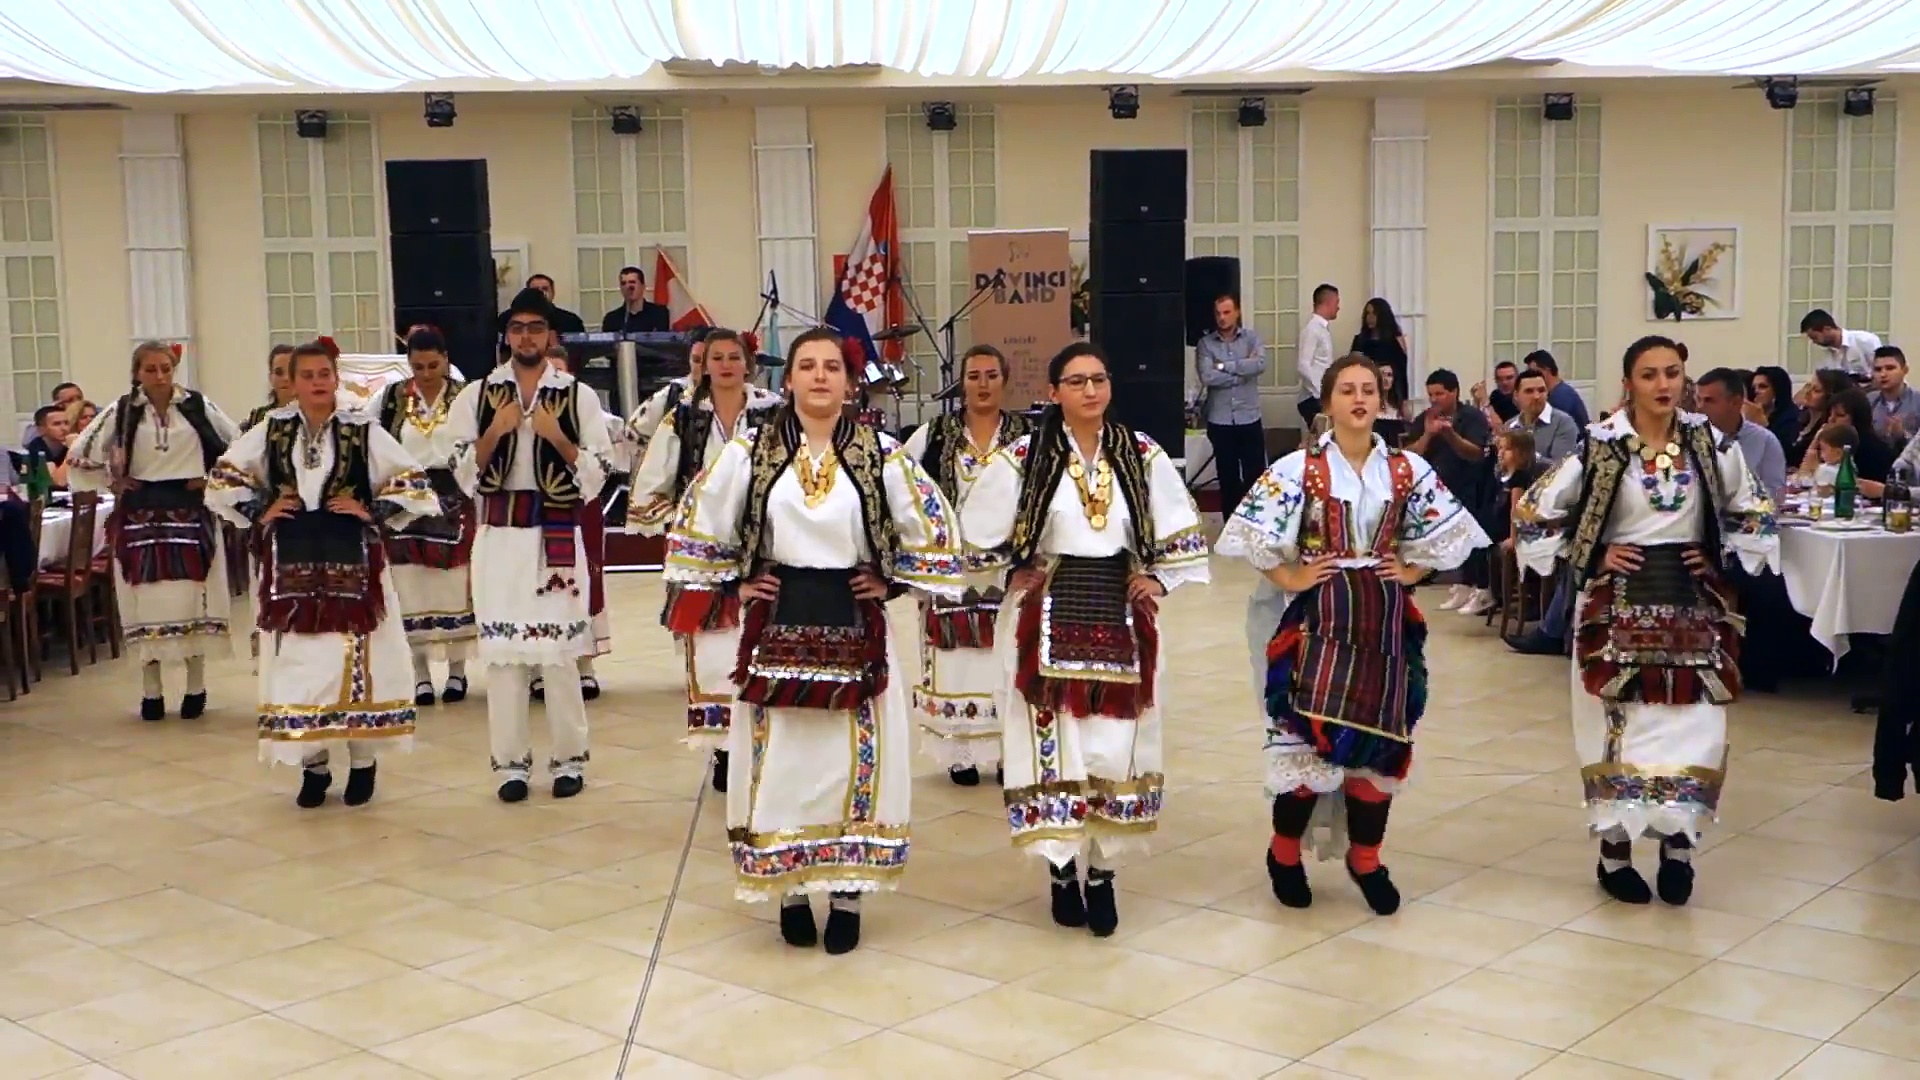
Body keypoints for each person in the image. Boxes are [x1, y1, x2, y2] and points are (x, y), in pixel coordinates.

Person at [664, 326, 965, 954]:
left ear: (851, 382)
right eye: (808, 365)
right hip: (777, 623)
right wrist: (737, 582)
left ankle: (848, 892)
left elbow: (931, 527)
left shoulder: (881, 452)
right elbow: (701, 522)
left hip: (856, 624)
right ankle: (791, 889)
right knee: (782, 759)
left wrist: (892, 582)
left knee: (853, 758)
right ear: (789, 380)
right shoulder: (751, 450)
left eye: (833, 366)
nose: (821, 376)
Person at [1219, 353, 1487, 915]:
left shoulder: (1406, 468)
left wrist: (1412, 570)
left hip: (1383, 624)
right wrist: (1292, 576)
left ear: (1380, 400)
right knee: (1306, 745)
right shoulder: (1299, 467)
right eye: (1347, 390)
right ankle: (1283, 855)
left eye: (1368, 389)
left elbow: (1450, 531)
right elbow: (1252, 536)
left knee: (1378, 748)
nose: (1360, 399)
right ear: (1328, 402)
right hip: (1317, 622)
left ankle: (1366, 859)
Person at [1517, 335, 1778, 906]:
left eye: (1673, 373)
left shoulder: (1709, 443)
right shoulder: (1601, 445)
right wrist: (1590, 553)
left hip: (1692, 607)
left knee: (1695, 730)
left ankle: (1678, 851)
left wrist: (1719, 555)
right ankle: (1614, 855)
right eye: (1650, 374)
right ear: (1628, 383)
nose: (1663, 384)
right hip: (1616, 608)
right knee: (1622, 734)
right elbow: (1535, 511)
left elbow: (1754, 507)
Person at [963, 342, 1210, 937]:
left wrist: (1159, 579)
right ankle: (1060, 869)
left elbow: (1178, 528)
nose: (1090, 390)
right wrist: (1007, 571)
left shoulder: (1140, 452)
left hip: (1119, 612)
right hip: (1045, 611)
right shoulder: (1024, 456)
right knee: (1055, 743)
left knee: (1113, 745)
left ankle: (1101, 872)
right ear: (1054, 392)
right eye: (1076, 381)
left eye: (1098, 379)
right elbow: (973, 532)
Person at [208, 341, 438, 808]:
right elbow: (223, 478)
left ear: (336, 377)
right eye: (307, 375)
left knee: (355, 663)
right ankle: (313, 768)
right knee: (301, 666)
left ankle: (362, 764)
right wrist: (261, 508)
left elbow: (413, 481)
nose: (317, 382)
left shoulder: (361, 428)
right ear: (292, 381)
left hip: (352, 563)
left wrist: (370, 509)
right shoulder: (273, 430)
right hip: (291, 565)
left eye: (324, 374)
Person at [447, 289, 616, 802]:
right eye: (517, 328)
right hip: (500, 538)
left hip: (556, 534)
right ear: (507, 335)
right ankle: (510, 767)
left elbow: (599, 473)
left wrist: (557, 437)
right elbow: (461, 474)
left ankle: (569, 759)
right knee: (504, 660)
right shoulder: (477, 395)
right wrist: (495, 432)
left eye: (535, 328)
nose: (526, 337)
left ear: (549, 335)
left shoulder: (578, 395)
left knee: (560, 657)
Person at [631, 328, 781, 793]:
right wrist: (685, 521)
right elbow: (652, 483)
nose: (726, 365)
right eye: (717, 357)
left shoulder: (773, 412)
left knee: (766, 647)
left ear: (748, 363)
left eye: (734, 357)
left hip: (765, 548)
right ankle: (723, 750)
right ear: (704, 365)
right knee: (715, 651)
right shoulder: (684, 417)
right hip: (707, 554)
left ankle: (768, 749)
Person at [69, 342, 239, 721]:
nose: (159, 376)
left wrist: (211, 479)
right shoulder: (123, 410)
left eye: (165, 368)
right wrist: (113, 480)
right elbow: (81, 453)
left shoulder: (197, 406)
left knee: (194, 598)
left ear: (174, 368)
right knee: (144, 600)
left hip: (190, 509)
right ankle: (152, 692)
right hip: (140, 512)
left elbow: (240, 447)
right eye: (150, 369)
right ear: (137, 373)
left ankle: (196, 687)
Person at [903, 345, 1032, 787]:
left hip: (1006, 569)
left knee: (1005, 656)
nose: (982, 384)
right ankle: (961, 753)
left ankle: (1006, 751)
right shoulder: (934, 435)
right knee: (954, 660)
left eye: (991, 375)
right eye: (974, 375)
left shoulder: (1026, 436)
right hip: (952, 571)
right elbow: (905, 490)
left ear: (1005, 380)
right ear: (961, 382)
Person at [375, 328, 477, 705]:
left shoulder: (465, 397)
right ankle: (419, 675)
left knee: (453, 583)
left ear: (446, 360)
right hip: (405, 501)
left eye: (433, 365)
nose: (426, 373)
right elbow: (372, 439)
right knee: (409, 586)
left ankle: (457, 672)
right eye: (418, 366)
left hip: (453, 496)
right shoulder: (391, 398)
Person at [530, 344, 621, 701]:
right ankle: (538, 666)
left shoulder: (586, 409)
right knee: (534, 582)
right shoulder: (518, 410)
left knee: (584, 580)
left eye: (560, 372)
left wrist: (558, 435)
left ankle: (585, 665)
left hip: (579, 505)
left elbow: (608, 454)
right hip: (533, 508)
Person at [1408, 369, 1493, 616]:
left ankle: (1482, 588)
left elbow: (1476, 452)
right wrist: (1428, 434)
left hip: (1471, 485)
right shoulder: (1426, 417)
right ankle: (1463, 585)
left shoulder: (1472, 417)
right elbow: (1410, 454)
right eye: (1431, 394)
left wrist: (1450, 434)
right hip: (1437, 487)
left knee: (1471, 536)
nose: (1435, 399)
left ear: (1454, 392)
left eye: (1440, 394)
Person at [1195, 294, 1267, 517]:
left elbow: (1260, 364)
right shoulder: (1206, 344)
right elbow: (1207, 377)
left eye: (1227, 312)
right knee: (1228, 479)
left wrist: (1224, 366)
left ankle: (1255, 523)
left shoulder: (1252, 339)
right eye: (1218, 313)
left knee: (1255, 477)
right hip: (1221, 420)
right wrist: (1242, 372)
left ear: (1237, 312)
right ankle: (1230, 527)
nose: (1222, 318)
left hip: (1249, 417)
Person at [1696, 367, 1786, 500]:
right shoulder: (1691, 439)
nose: (1700, 407)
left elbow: (1775, 495)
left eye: (1709, 401)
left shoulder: (1765, 441)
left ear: (1735, 402)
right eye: (1698, 400)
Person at [627, 327, 711, 460]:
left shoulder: (744, 400)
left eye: (711, 359)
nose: (703, 367)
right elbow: (630, 440)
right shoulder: (670, 397)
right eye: (696, 360)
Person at [1508, 368, 1581, 466]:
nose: (1536, 396)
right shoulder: (1510, 426)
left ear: (1547, 393)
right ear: (1516, 395)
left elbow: (1561, 467)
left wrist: (1526, 455)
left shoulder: (1563, 423)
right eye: (1529, 391)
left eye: (1541, 390)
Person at [1349, 297, 1410, 404]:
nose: (1370, 317)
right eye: (1367, 313)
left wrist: (1404, 400)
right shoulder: (1360, 340)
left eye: (1374, 314)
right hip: (1366, 392)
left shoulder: (1395, 340)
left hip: (1391, 394)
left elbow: (1402, 372)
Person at [1294, 284, 1338, 427]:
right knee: (1323, 436)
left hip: (1319, 396)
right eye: (1336, 302)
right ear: (1327, 302)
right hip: (1313, 398)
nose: (1338, 307)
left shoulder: (1322, 329)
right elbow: (1303, 365)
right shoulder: (1312, 329)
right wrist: (1320, 393)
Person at [1799, 308, 1879, 380]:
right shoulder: (1823, 353)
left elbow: (1881, 370)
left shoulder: (1865, 340)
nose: (1814, 342)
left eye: (1815, 337)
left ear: (1827, 329)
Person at [1525, 350, 1591, 431]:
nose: (1531, 377)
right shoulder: (1559, 391)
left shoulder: (1560, 397)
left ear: (1547, 370)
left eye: (1534, 372)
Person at [1868, 346, 1919, 445]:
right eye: (1878, 369)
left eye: (1890, 368)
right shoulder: (1868, 401)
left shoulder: (1917, 401)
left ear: (1905, 370)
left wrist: (1902, 436)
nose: (1883, 374)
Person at [506, 273, 586, 335]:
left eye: (545, 289)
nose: (541, 293)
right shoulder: (509, 318)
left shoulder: (571, 321)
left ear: (553, 293)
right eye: (535, 290)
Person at [600, 264, 671, 333]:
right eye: (623, 283)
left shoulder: (659, 314)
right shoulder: (611, 319)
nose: (628, 287)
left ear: (643, 286)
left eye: (632, 282)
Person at [242, 345, 298, 431]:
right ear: (270, 378)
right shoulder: (259, 416)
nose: (286, 378)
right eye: (279, 373)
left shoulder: (310, 415)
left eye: (292, 372)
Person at [1748, 366, 1802, 452]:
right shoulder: (1752, 413)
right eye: (1753, 388)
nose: (1756, 391)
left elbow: (1782, 450)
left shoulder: (1792, 418)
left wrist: (1763, 425)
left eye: (1763, 387)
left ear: (1777, 389)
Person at [23, 405, 71, 489]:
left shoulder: (71, 443)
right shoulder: (37, 448)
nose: (64, 428)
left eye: (66, 423)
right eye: (56, 424)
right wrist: (73, 451)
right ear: (41, 429)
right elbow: (59, 482)